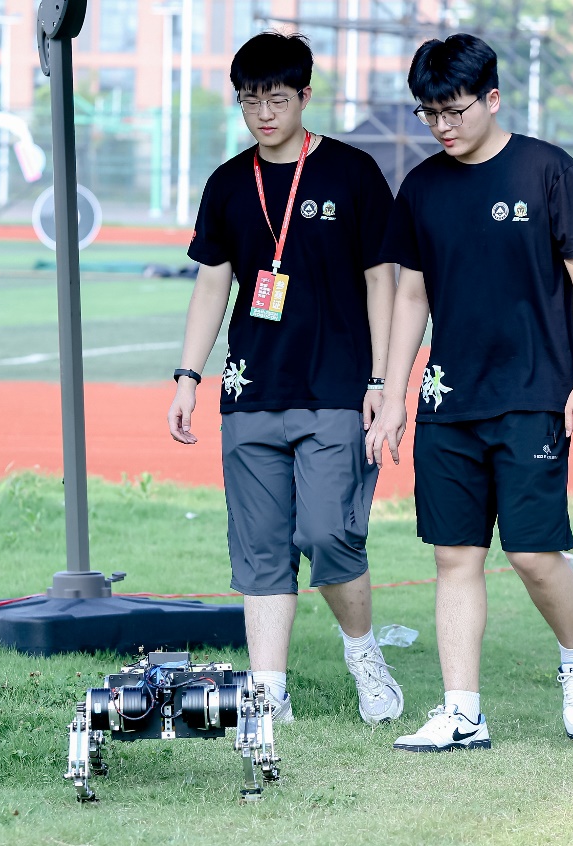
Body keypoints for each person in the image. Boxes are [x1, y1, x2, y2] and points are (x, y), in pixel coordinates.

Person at [366, 34, 573, 751]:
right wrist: (393, 393)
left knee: (533, 553)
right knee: (454, 557)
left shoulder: (545, 169)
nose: (441, 126)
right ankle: (462, 713)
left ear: (492, 99)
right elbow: (411, 296)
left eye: (454, 110)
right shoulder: (421, 187)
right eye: (428, 113)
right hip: (449, 401)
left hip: (534, 392)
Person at [167, 32, 402, 724]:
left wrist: (381, 379)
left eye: (276, 99)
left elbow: (381, 281)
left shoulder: (352, 172)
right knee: (261, 548)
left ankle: (363, 653)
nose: (263, 113)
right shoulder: (227, 183)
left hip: (335, 386)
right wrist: (188, 375)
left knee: (328, 533)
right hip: (251, 391)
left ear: (304, 96)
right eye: (250, 100)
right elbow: (212, 284)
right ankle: (268, 689)